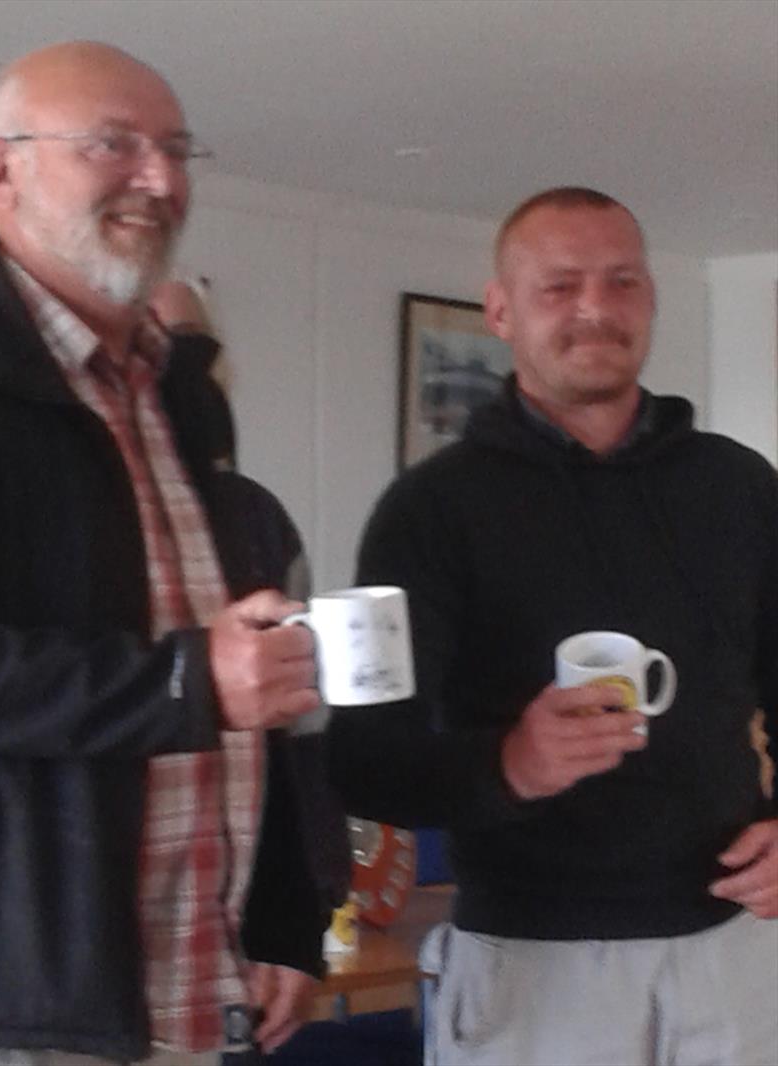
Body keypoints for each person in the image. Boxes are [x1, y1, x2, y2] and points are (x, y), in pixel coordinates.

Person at [328, 187, 778, 1066]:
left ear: (651, 298)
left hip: (738, 955)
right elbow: (360, 760)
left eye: (622, 282)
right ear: (500, 310)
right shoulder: (426, 511)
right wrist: (509, 765)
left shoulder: (741, 486)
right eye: (559, 286)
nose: (596, 310)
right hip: (529, 969)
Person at [0, 41, 349, 1066]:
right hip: (17, 1011)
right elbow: (206, 680)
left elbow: (268, 710)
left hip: (197, 983)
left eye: (176, 149)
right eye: (113, 145)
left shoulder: (167, 396)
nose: (161, 178)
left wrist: (286, 914)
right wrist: (186, 677)